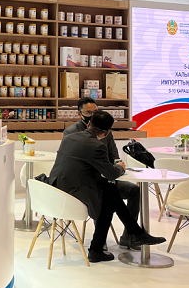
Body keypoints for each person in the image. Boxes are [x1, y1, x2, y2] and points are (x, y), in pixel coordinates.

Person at [49, 110, 166, 262]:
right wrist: (121, 167)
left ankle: (119, 239)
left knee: (110, 192)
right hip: (75, 193)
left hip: (58, 188)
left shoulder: (69, 138)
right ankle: (130, 234)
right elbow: (111, 174)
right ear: (107, 132)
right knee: (109, 197)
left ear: (89, 123)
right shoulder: (96, 146)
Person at [63, 97, 141, 250]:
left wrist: (117, 166)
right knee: (102, 194)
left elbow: (114, 156)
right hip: (85, 184)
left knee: (133, 190)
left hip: (107, 177)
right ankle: (100, 242)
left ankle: (129, 236)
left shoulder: (106, 130)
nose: (92, 115)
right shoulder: (71, 133)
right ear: (79, 114)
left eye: (95, 112)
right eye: (88, 113)